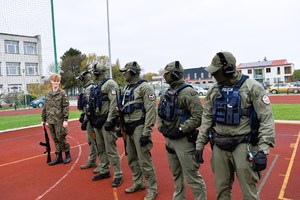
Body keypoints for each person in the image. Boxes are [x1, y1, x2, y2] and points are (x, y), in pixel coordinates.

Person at [194, 51, 275, 199]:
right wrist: (200, 144)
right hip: (219, 145)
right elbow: (206, 119)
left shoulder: (252, 87)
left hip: (244, 145)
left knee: (249, 192)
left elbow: (266, 119)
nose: (213, 75)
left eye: (216, 71)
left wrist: (263, 150)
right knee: (221, 189)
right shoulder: (213, 90)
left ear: (227, 69)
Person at [157, 61, 207, 200]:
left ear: (174, 74)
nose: (164, 76)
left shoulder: (188, 92)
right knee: (176, 173)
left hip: (183, 140)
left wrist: (180, 129)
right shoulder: (167, 93)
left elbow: (198, 116)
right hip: (169, 140)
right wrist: (161, 127)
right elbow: (159, 113)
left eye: (166, 74)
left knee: (192, 176)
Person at [118, 61, 158, 200]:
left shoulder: (145, 88)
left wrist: (146, 133)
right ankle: (138, 182)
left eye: (126, 71)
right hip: (128, 128)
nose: (124, 74)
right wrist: (120, 127)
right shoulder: (126, 88)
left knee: (144, 159)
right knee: (131, 158)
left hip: (139, 127)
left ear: (132, 71)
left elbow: (151, 111)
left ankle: (152, 188)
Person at [90, 63, 123, 187]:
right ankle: (104, 170)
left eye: (94, 72)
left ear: (98, 72)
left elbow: (114, 103)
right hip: (97, 121)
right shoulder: (97, 85)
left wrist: (109, 120)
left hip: (106, 121)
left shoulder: (110, 84)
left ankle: (118, 174)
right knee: (100, 148)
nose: (93, 74)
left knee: (111, 149)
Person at [41, 73, 71, 166]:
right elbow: (45, 107)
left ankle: (67, 154)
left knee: (61, 137)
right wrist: (43, 119)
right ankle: (58, 156)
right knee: (54, 138)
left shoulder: (62, 93)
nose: (56, 83)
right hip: (50, 120)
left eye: (57, 81)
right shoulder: (48, 94)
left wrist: (65, 120)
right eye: (54, 81)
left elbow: (66, 107)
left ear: (59, 82)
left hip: (59, 120)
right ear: (51, 82)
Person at [77, 70, 98, 170]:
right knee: (91, 140)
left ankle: (101, 163)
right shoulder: (87, 88)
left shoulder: (90, 89)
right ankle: (92, 160)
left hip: (92, 119)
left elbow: (90, 107)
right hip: (89, 117)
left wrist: (85, 119)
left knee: (95, 141)